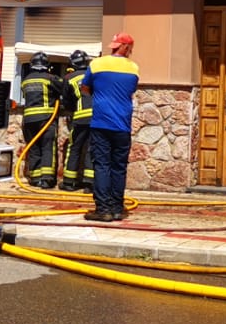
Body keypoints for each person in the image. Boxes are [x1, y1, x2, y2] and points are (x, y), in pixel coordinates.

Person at [81, 32, 138, 222]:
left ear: (117, 46)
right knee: (119, 167)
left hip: (101, 123)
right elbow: (129, 91)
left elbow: (85, 88)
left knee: (102, 165)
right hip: (123, 125)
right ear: (127, 48)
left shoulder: (96, 64)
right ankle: (117, 208)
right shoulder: (133, 69)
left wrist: (100, 94)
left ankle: (103, 209)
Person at [17, 52, 63, 189]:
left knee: (34, 148)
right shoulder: (51, 78)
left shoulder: (26, 80)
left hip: (29, 120)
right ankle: (47, 179)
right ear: (46, 65)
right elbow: (63, 89)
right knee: (48, 147)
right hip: (46, 119)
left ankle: (35, 178)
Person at [59, 49, 93, 192]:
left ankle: (68, 182)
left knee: (75, 148)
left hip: (79, 117)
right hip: (97, 117)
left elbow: (66, 101)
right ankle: (90, 184)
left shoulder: (69, 77)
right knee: (93, 149)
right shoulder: (94, 76)